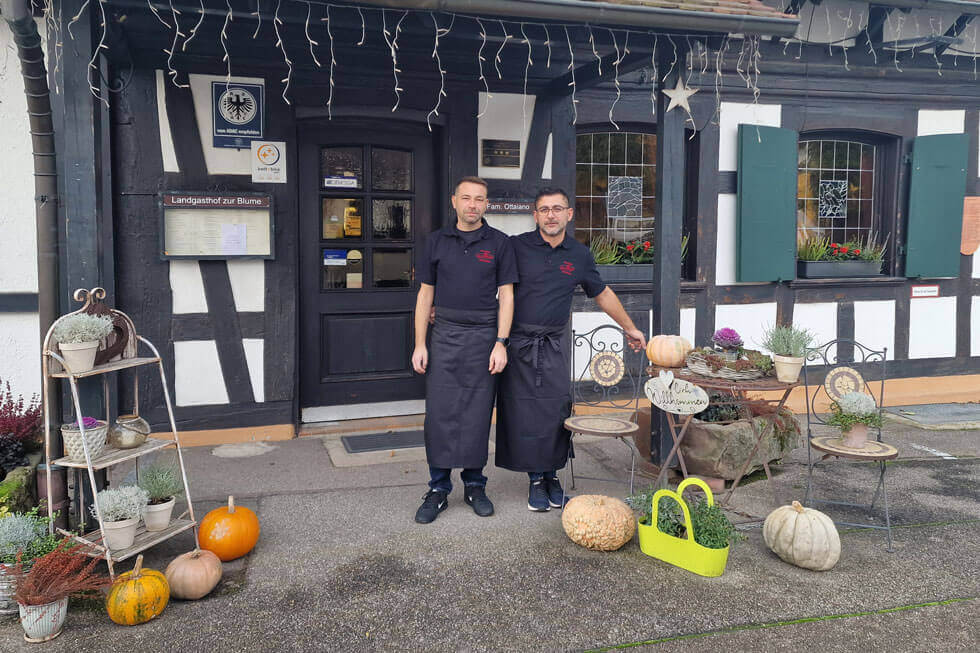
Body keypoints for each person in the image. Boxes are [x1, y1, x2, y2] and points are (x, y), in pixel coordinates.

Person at [496, 187, 646, 512]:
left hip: (554, 344)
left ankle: (552, 477)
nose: (551, 214)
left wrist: (629, 327)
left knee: (555, 412)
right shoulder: (515, 247)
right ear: (535, 215)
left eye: (557, 208)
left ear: (569, 213)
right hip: (520, 345)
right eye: (544, 209)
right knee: (525, 414)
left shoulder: (579, 254)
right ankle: (536, 480)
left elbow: (601, 293)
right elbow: (492, 285)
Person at [411, 176, 518, 524]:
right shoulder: (436, 242)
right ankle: (438, 488)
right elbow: (425, 295)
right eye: (467, 198)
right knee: (439, 414)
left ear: (487, 204)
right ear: (454, 201)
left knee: (476, 412)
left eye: (480, 199)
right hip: (444, 335)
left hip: (485, 337)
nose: (473, 204)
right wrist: (419, 343)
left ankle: (475, 484)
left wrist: (501, 343)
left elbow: (507, 297)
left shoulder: (500, 244)